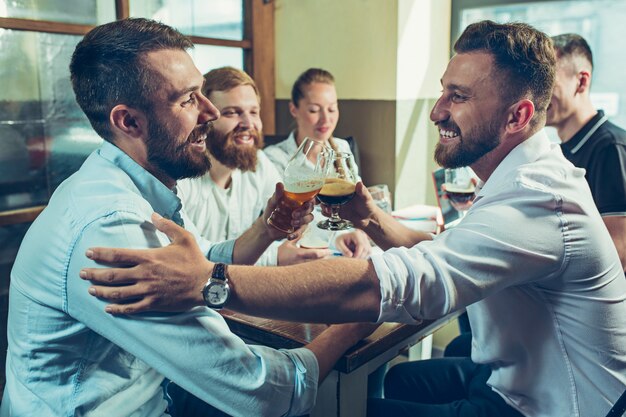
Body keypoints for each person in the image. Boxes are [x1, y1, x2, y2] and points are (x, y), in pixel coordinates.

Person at [82, 21, 626, 417]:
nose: (436, 110)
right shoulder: (526, 173)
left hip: (555, 405)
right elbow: (441, 243)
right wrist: (368, 217)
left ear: (518, 116)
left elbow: (398, 284)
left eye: (456, 97)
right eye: (442, 90)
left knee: (349, 408)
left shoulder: (535, 198)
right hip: (517, 378)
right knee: (386, 382)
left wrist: (209, 283)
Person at [0, 18, 378, 417]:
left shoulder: (125, 183)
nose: (211, 113)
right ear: (128, 121)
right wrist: (360, 318)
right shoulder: (113, 226)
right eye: (188, 99)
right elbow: (262, 392)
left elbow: (200, 265)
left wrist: (266, 231)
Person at [178, 66, 369, 265]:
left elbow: (294, 218)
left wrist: (337, 237)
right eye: (231, 113)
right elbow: (194, 262)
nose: (248, 123)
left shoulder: (259, 164)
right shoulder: (181, 181)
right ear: (203, 118)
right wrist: (273, 257)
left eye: (254, 112)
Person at [264, 67, 370, 253]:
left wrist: (357, 231)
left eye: (332, 109)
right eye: (314, 110)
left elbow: (356, 204)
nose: (326, 119)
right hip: (296, 253)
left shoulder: (342, 148)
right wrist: (338, 235)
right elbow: (283, 222)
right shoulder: (275, 159)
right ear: (293, 109)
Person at [546, 33, 626, 272]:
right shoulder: (563, 150)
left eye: (548, 83)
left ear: (581, 82)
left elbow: (619, 252)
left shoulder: (609, 148)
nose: (538, 95)